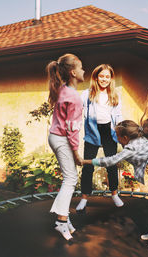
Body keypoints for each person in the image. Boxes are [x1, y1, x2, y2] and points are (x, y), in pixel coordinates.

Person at [83, 83, 148, 250]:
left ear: (125, 137)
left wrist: (86, 161)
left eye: (117, 135)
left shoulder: (132, 147)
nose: (116, 138)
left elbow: (110, 161)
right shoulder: (137, 139)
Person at [46, 53, 84, 240]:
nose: (84, 70)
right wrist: (76, 153)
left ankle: (64, 219)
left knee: (69, 178)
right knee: (70, 179)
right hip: (62, 138)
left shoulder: (62, 89)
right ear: (73, 72)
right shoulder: (73, 97)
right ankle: (61, 222)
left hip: (55, 136)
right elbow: (72, 128)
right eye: (81, 67)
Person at [76, 64, 124, 212]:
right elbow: (78, 111)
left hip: (109, 131)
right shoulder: (87, 93)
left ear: (111, 79)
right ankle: (84, 198)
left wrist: (122, 131)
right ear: (96, 77)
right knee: (88, 166)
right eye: (101, 76)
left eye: (107, 77)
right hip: (92, 131)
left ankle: (114, 194)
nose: (104, 79)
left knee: (111, 164)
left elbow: (118, 115)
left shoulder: (114, 95)